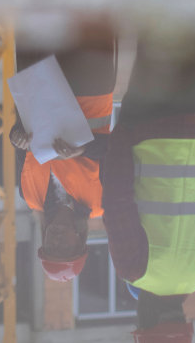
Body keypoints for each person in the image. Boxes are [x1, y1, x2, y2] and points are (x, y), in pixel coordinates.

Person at [100, 30, 195, 343]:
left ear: (183, 321)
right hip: (147, 129)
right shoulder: (135, 270)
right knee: (157, 39)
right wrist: (121, 138)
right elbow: (116, 200)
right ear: (148, 319)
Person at [8, 24, 117, 282]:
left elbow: (21, 136)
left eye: (50, 248)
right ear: (80, 240)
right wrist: (83, 150)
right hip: (89, 87)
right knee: (89, 10)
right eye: (64, 248)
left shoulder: (29, 195)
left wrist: (17, 137)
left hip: (38, 84)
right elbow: (120, 149)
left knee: (35, 13)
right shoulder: (103, 201)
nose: (55, 241)